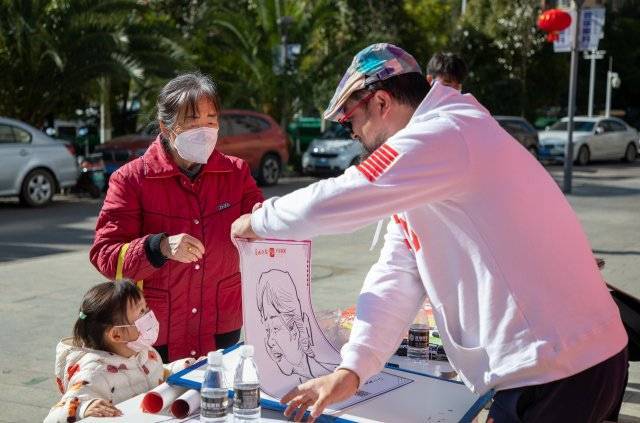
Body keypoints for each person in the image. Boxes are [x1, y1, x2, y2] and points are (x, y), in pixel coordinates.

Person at [231, 43, 628, 422]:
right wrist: (352, 369)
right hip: (575, 361)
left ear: (381, 102)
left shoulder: (444, 133)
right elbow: (397, 277)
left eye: (350, 119)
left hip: (557, 371)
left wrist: (261, 220)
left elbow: (346, 194)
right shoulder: (437, 155)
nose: (351, 134)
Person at [90, 73, 263, 362]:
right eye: (193, 121)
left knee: (214, 399)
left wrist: (267, 220)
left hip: (222, 321)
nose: (205, 129)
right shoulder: (132, 179)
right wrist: (158, 248)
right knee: (160, 401)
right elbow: (104, 254)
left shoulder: (236, 173)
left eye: (211, 119)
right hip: (156, 329)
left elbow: (261, 219)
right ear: (166, 127)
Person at [44, 281, 194, 422]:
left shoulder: (143, 351)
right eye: (141, 312)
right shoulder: (93, 374)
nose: (149, 315)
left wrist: (181, 368)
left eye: (145, 307)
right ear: (116, 334)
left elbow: (158, 374)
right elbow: (53, 417)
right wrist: (83, 408)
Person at [257, 269, 336, 382]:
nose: (270, 342)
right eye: (267, 330)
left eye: (275, 328)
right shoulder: (275, 383)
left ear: (299, 327)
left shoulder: (334, 375)